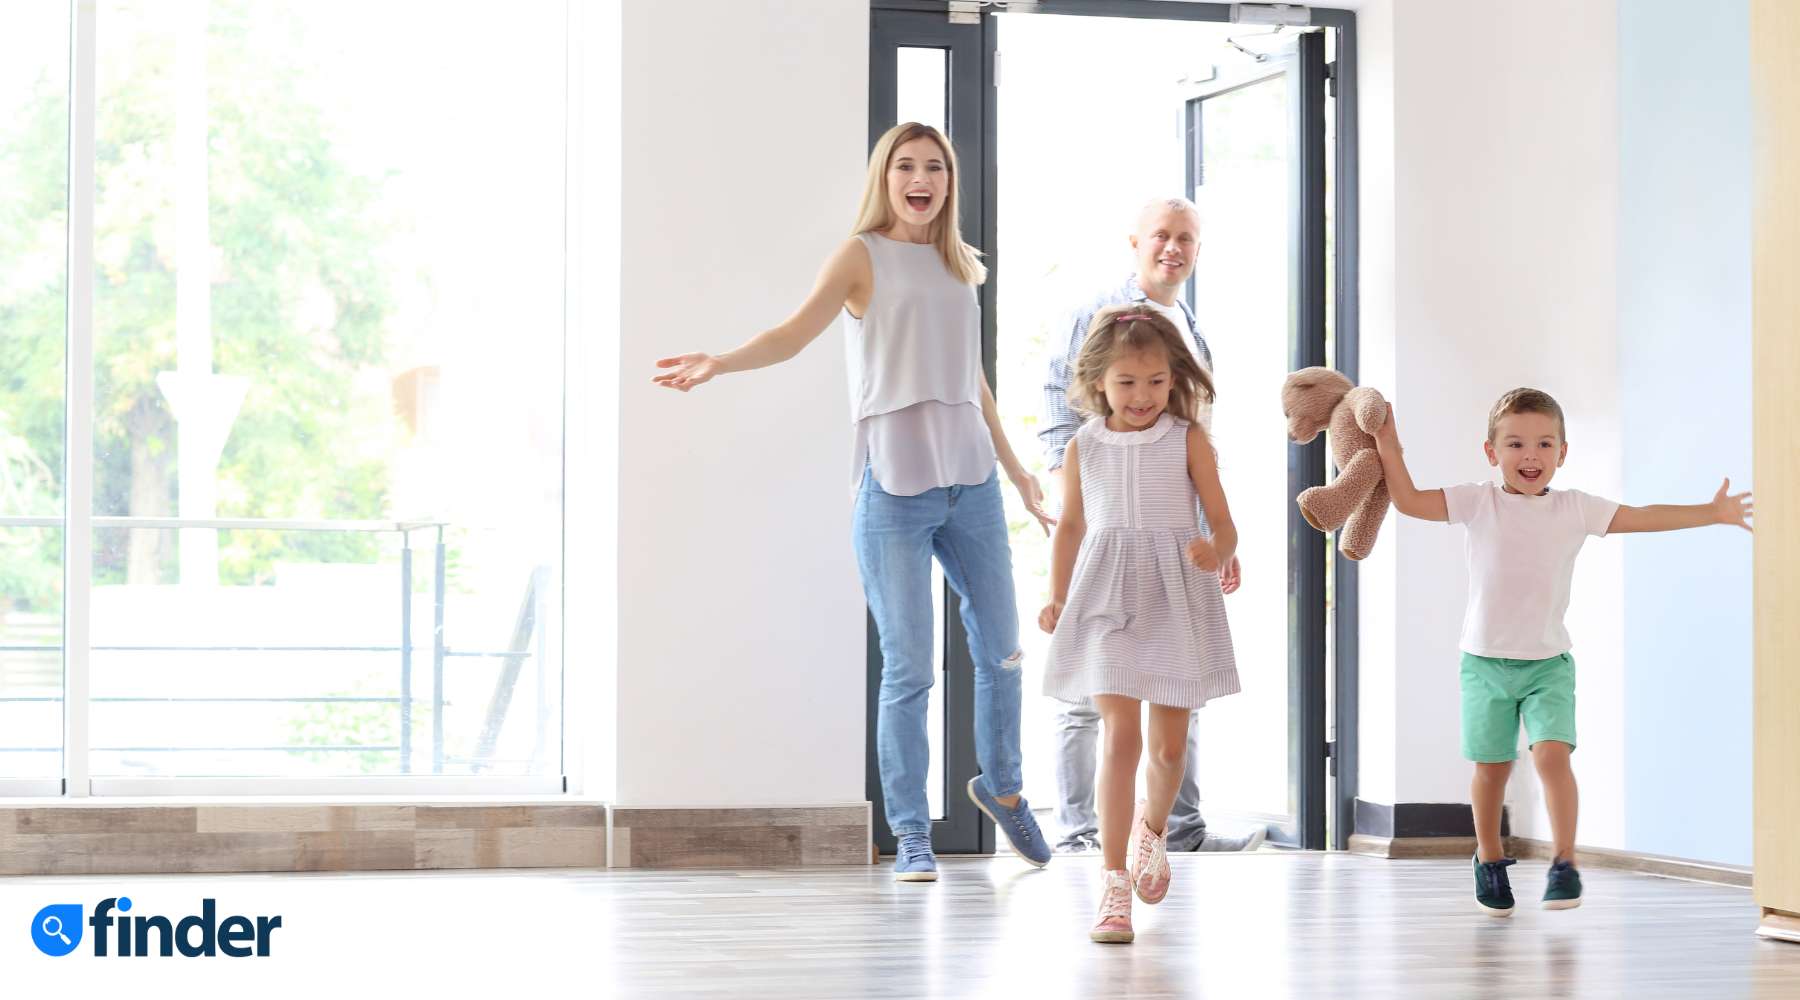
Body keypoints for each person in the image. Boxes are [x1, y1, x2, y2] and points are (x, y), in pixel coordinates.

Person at [653, 122, 1056, 883]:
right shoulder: (859, 256)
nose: (921, 177)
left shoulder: (960, 265)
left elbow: (972, 380)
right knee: (911, 671)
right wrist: (721, 362)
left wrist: (1020, 473)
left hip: (969, 478)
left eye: (935, 166)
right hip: (893, 487)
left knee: (1002, 649)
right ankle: (910, 832)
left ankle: (1002, 787)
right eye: (906, 164)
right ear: (885, 176)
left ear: (949, 181)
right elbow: (791, 334)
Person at [1374, 387, 1753, 915]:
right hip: (1483, 663)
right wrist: (1389, 444)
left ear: (1562, 452)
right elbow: (1410, 501)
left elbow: (1643, 516)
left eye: (1544, 444)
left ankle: (1564, 863)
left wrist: (1710, 512)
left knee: (1552, 755)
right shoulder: (1477, 501)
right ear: (1492, 452)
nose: (1531, 455)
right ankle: (1488, 856)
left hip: (1548, 663)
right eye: (1516, 444)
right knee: (1492, 768)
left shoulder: (1575, 509)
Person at [1038, 197, 1261, 855]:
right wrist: (1077, 494)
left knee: (1173, 695)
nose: (1173, 248)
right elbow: (1062, 410)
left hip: (1172, 550)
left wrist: (1214, 540)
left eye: (1186, 238)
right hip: (1107, 539)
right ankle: (1088, 833)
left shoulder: (1188, 329)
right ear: (1134, 241)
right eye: (1161, 235)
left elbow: (1199, 460)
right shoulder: (1099, 319)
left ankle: (1166, 827)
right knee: (1098, 706)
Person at [1038, 305, 1242, 944]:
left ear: (1172, 378)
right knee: (1119, 737)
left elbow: (1223, 520)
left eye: (1155, 381)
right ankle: (1113, 884)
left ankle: (1151, 832)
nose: (1143, 395)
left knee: (1170, 747)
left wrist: (1219, 550)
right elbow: (1071, 525)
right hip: (1105, 599)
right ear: (1099, 382)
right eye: (1127, 382)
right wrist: (1056, 593)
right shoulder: (1083, 446)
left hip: (1175, 595)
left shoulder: (1188, 440)